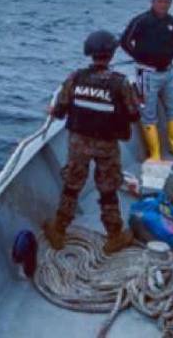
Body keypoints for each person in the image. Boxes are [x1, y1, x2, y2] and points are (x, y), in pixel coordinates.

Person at [43, 30, 141, 254]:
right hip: (107, 146)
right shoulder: (120, 83)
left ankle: (59, 230)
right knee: (108, 189)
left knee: (71, 185)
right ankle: (114, 236)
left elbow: (60, 110)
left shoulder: (75, 78)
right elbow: (134, 114)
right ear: (112, 54)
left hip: (78, 143)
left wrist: (52, 110)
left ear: (90, 53)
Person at [120, 0, 173, 161]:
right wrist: (140, 57)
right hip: (146, 74)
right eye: (160, 1)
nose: (163, 5)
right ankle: (155, 153)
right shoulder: (141, 20)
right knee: (148, 113)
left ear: (170, 4)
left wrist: (171, 55)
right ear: (152, 2)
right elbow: (125, 41)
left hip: (169, 72)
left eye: (166, 2)